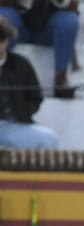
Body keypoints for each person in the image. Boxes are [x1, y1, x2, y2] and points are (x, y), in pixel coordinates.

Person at [0, 0, 79, 99]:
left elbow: (73, 6)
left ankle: (60, 79)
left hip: (48, 30)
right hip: (18, 28)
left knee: (69, 20)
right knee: (3, 16)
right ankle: (3, 73)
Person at [0, 18, 56, 149]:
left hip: (12, 124)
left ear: (7, 41)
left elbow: (35, 97)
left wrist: (21, 112)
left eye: (1, 39)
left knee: (48, 139)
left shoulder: (21, 64)